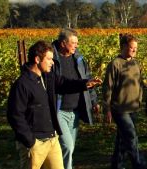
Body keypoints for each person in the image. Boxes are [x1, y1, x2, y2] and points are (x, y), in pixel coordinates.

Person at [7, 40, 101, 169]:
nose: (52, 62)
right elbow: (15, 115)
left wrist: (85, 84)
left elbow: (63, 83)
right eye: (49, 59)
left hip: (52, 139)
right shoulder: (22, 84)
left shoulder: (47, 77)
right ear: (37, 59)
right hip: (35, 143)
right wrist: (30, 141)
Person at [51, 28, 100, 169]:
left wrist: (94, 100)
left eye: (77, 43)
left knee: (68, 148)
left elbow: (87, 81)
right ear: (63, 43)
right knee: (68, 146)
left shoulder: (78, 59)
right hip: (59, 109)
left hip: (75, 110)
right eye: (73, 43)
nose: (76, 45)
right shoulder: (52, 59)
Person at [102, 34, 146, 169]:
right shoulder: (115, 64)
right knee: (131, 137)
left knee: (122, 140)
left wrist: (140, 99)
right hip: (120, 109)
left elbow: (139, 83)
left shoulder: (135, 63)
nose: (134, 50)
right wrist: (107, 109)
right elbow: (107, 87)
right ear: (124, 47)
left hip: (133, 107)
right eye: (132, 48)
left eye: (136, 48)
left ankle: (116, 165)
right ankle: (139, 165)